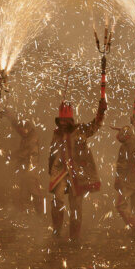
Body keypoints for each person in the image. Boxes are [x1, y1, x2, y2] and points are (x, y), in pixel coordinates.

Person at [49, 98, 106, 243]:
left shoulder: (81, 130)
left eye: (65, 121)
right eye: (60, 120)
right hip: (60, 172)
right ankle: (56, 231)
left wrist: (101, 111)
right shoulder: (56, 134)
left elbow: (95, 125)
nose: (62, 123)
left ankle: (74, 237)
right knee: (57, 200)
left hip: (78, 174)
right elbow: (52, 153)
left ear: (70, 121)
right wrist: (51, 170)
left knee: (76, 206)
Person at [3, 109, 43, 214]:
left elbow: (24, 152)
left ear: (27, 128)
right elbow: (18, 126)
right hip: (24, 166)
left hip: (31, 167)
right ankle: (25, 213)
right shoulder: (26, 133)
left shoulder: (32, 138)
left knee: (34, 190)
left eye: (22, 130)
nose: (20, 132)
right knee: (22, 190)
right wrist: (10, 117)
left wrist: (11, 156)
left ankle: (40, 213)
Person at [113, 118, 135, 239]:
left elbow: (121, 167)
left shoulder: (124, 148)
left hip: (129, 180)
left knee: (120, 205)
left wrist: (118, 180)